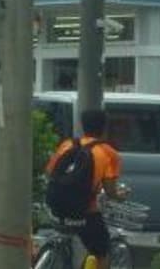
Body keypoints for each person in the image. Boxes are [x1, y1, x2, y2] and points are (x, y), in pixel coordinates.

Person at [45, 109, 127, 269]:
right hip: (82, 214)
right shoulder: (109, 153)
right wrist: (121, 195)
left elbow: (50, 172)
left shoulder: (68, 144)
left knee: (68, 235)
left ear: (83, 127)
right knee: (102, 249)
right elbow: (111, 192)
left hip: (54, 207)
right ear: (105, 128)